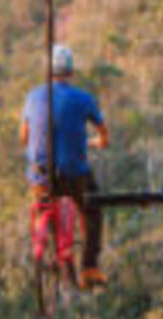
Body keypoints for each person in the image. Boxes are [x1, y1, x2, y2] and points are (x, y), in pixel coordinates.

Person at [21, 44, 110, 288]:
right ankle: (89, 267)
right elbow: (104, 135)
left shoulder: (32, 97)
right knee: (93, 208)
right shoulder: (84, 99)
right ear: (71, 72)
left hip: (41, 177)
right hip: (73, 177)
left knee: (42, 202)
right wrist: (98, 142)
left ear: (48, 71)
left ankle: (48, 236)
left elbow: (24, 137)